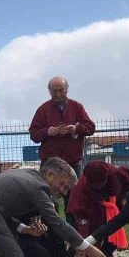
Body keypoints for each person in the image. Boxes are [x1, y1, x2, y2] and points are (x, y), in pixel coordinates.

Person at [29, 76, 96, 223]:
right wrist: (47, 132)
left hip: (72, 163)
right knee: (48, 203)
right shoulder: (43, 109)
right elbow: (33, 134)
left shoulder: (77, 107)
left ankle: (74, 239)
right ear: (49, 91)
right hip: (50, 166)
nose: (58, 94)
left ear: (66, 90)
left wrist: (76, 128)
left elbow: (90, 127)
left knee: (74, 203)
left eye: (61, 91)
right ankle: (53, 240)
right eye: (54, 91)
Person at [66, 161, 129, 257]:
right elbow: (82, 220)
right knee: (89, 233)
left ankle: (107, 252)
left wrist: (125, 199)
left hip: (111, 205)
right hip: (89, 210)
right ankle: (84, 253)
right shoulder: (81, 192)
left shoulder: (116, 173)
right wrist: (87, 247)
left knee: (114, 226)